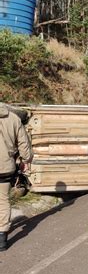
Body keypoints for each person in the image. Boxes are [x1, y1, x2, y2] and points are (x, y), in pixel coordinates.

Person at [0, 103, 33, 251]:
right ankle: (2, 238)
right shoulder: (13, 118)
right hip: (6, 167)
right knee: (3, 200)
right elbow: (23, 143)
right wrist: (26, 160)